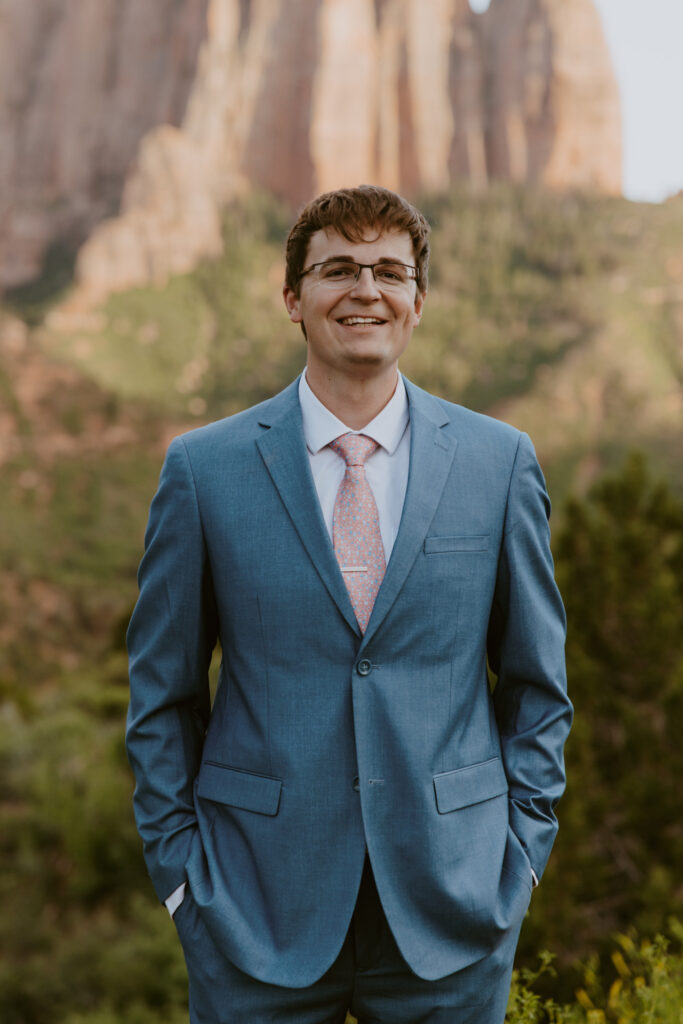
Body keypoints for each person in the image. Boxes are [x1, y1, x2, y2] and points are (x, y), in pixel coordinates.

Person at [126, 184, 572, 1023]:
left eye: (388, 272)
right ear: (292, 298)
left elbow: (536, 687)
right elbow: (163, 699)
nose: (365, 290)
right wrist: (183, 883)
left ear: (417, 301)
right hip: (253, 906)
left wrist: (517, 864)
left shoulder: (498, 462)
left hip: (454, 908)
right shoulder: (202, 470)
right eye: (337, 269)